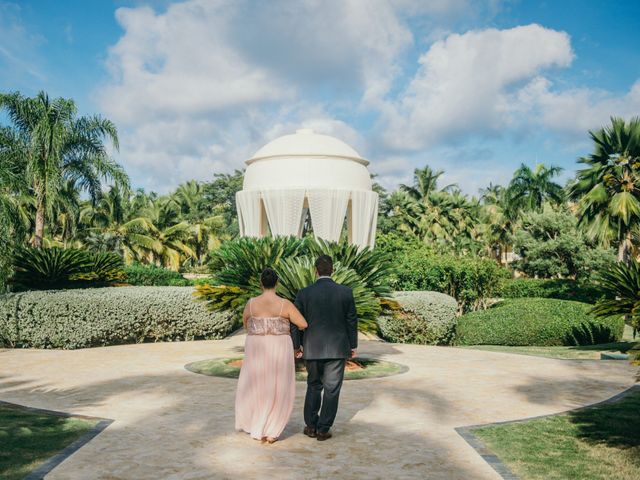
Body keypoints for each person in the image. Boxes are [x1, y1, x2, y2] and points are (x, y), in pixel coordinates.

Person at [235, 267, 307, 444]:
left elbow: (246, 322)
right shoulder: (285, 304)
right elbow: (303, 324)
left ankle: (257, 424)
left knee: (257, 384)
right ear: (277, 283)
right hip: (279, 345)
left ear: (261, 283)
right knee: (278, 385)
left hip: (256, 345)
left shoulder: (251, 303)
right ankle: (273, 430)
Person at [291, 255, 358, 441]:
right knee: (332, 389)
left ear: (316, 270)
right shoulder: (345, 292)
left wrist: (296, 345)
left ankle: (311, 426)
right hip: (337, 349)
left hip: (312, 348)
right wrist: (353, 345)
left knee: (313, 386)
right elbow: (351, 320)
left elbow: (295, 322)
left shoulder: (304, 293)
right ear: (333, 271)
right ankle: (323, 429)